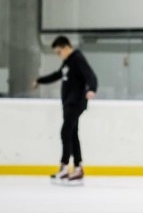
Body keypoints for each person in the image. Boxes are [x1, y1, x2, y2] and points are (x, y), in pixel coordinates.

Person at [32, 36, 98, 184]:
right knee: (72, 134)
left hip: (76, 102)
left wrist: (92, 89)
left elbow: (90, 75)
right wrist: (40, 80)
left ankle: (64, 166)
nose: (58, 55)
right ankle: (78, 168)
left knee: (65, 132)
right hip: (69, 103)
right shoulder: (68, 62)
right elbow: (57, 75)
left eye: (59, 52)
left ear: (66, 47)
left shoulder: (77, 58)